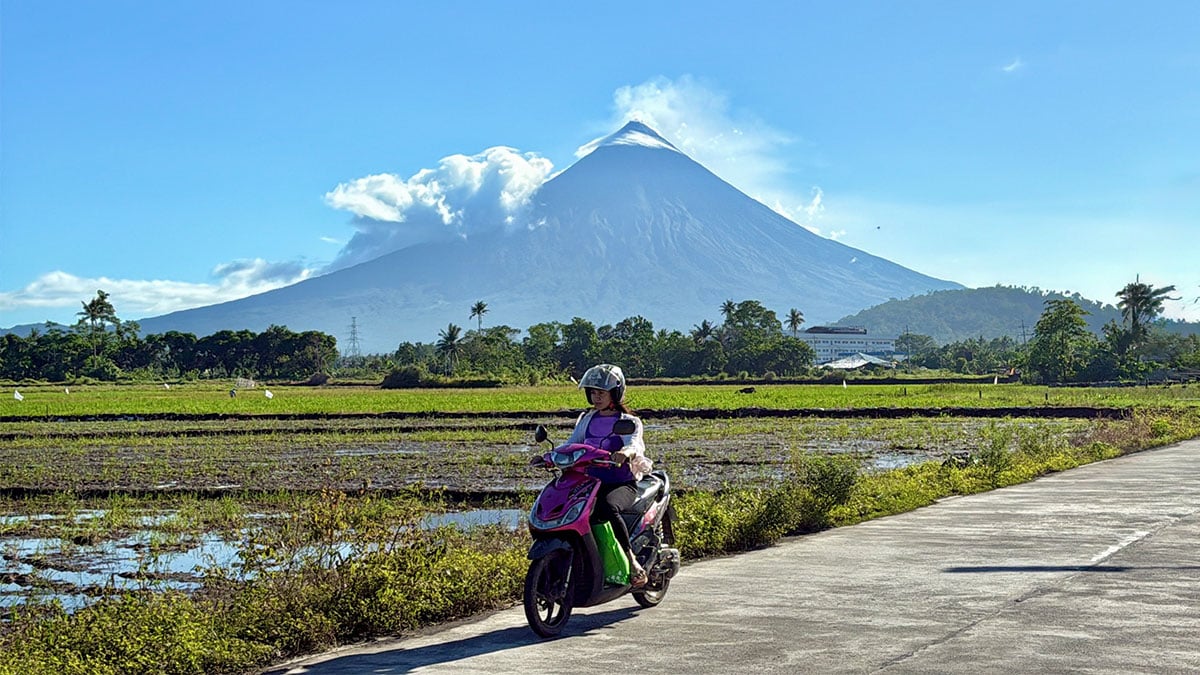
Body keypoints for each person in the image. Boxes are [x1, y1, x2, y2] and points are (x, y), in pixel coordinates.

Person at [566, 363, 653, 587]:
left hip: (620, 483)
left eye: (601, 392)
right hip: (590, 482)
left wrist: (625, 453)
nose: (596, 397)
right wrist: (550, 456)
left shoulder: (628, 422)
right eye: (593, 392)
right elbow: (572, 443)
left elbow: (634, 443)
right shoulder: (587, 419)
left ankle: (631, 560)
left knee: (606, 507)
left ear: (615, 392)